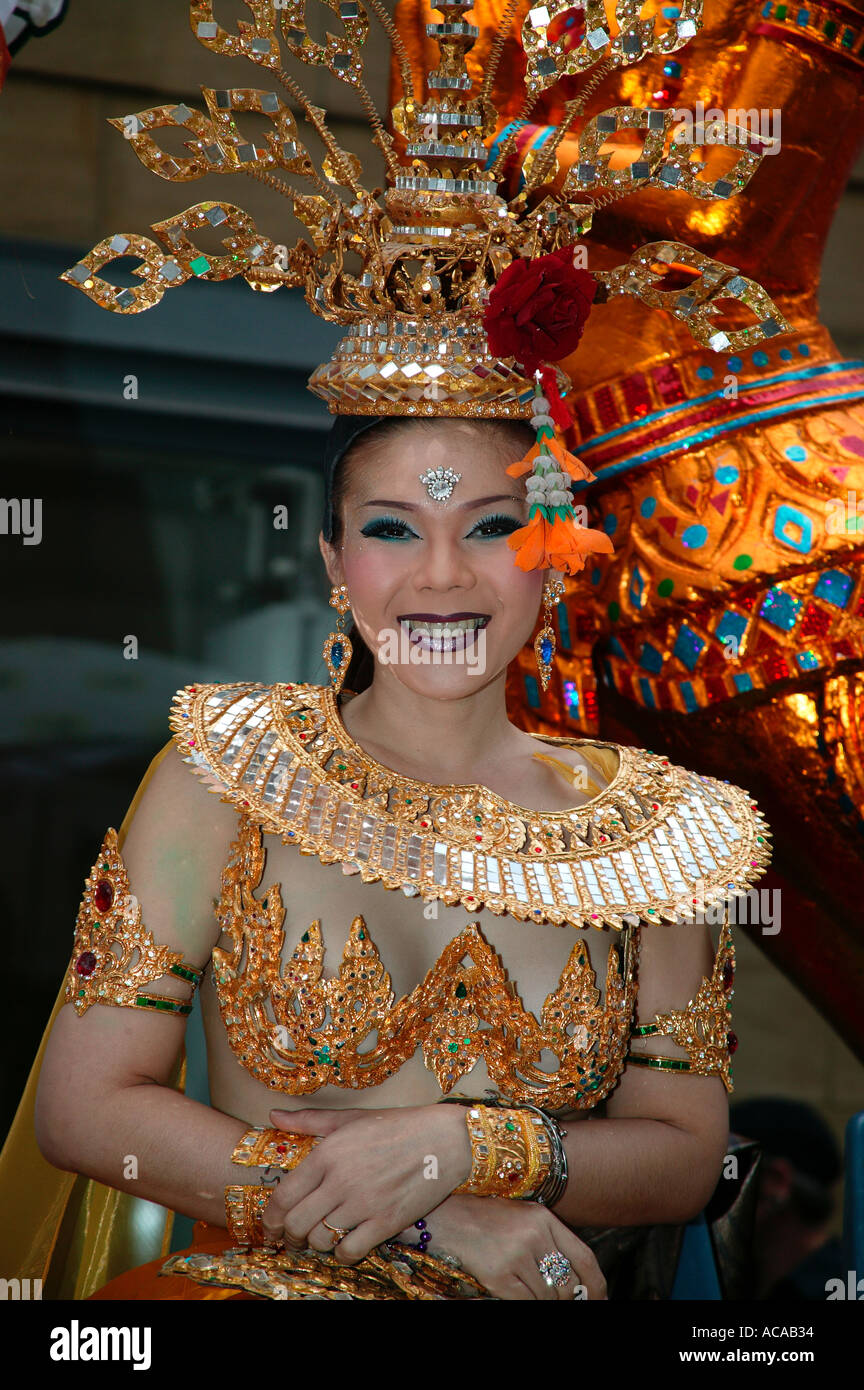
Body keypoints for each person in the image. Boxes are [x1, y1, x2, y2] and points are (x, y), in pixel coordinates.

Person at [12, 0, 777, 1301]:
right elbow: (87, 1108)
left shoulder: (666, 832)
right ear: (329, 560)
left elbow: (686, 1147)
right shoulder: (217, 775)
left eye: (487, 526)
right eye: (391, 527)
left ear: (549, 547)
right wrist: (422, 1221)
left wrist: (457, 1150)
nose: (439, 575)